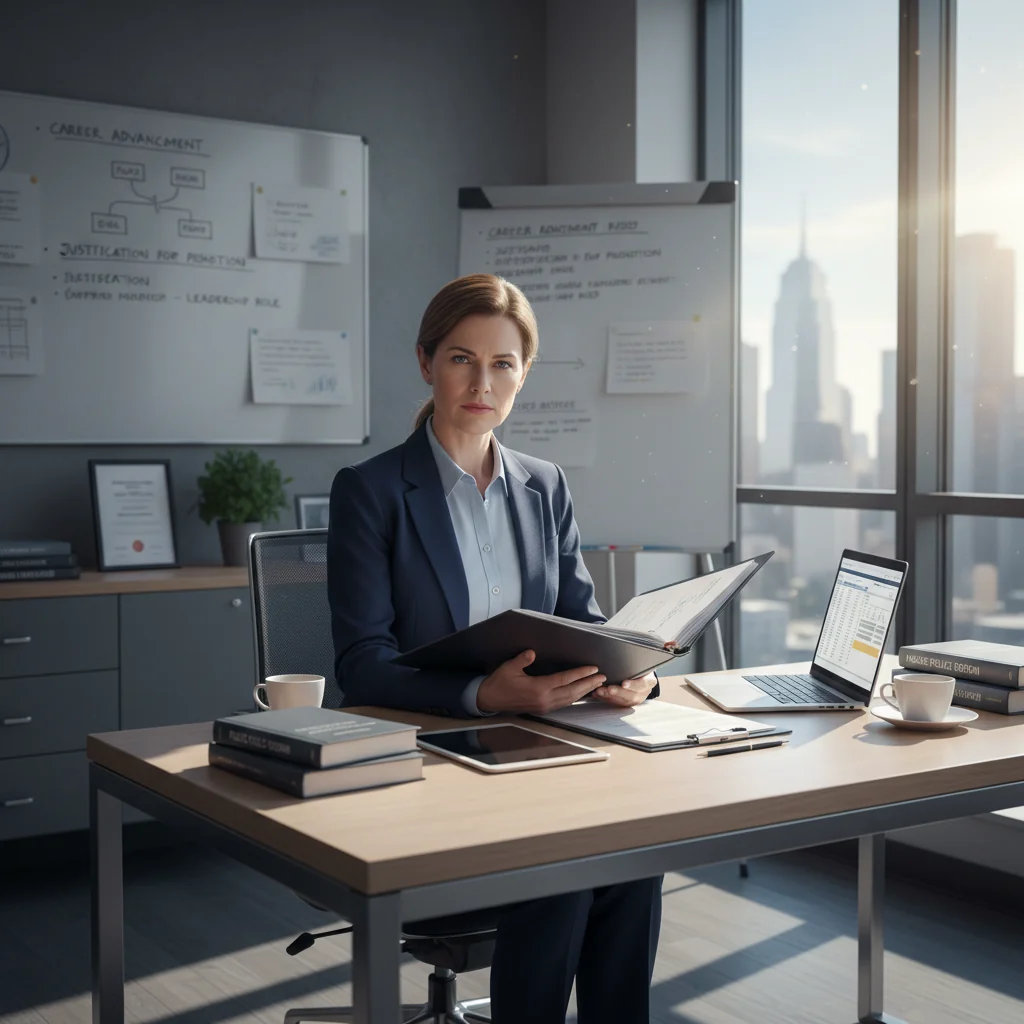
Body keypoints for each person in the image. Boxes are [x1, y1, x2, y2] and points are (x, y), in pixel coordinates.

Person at [327, 273, 662, 1024]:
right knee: (565, 867)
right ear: (425, 363)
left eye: (503, 363)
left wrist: (625, 675)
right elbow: (360, 666)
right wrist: (484, 696)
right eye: (461, 359)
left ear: (524, 373)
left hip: (541, 751)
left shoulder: (546, 486)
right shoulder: (372, 490)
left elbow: (583, 621)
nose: (483, 382)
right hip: (429, 762)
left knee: (636, 857)